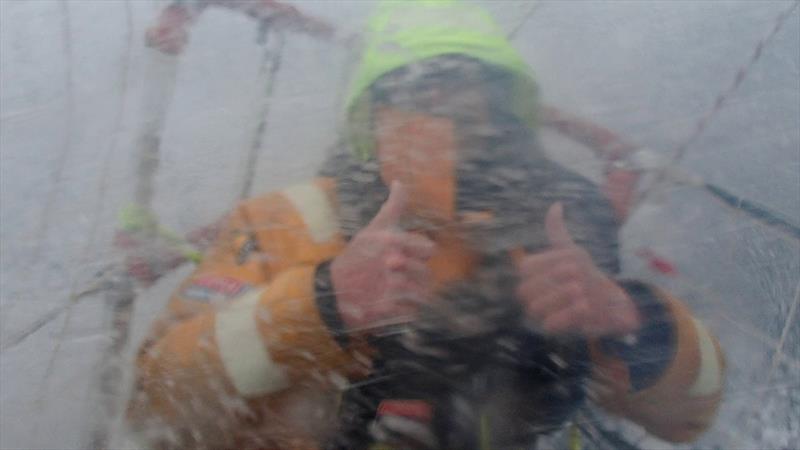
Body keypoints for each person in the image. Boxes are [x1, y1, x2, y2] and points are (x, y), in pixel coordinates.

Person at [126, 1, 725, 449]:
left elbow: (690, 414)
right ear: (374, 114)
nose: (447, 109)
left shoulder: (553, 233)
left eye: (468, 88)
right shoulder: (288, 220)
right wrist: (322, 303)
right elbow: (157, 396)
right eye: (423, 90)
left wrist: (629, 318)